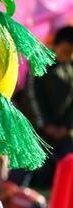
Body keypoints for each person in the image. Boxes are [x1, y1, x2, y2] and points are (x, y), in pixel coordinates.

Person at [21, 25, 73, 188]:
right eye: (66, 51)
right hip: (37, 130)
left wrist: (67, 126)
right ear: (55, 45)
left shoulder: (70, 67)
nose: (68, 56)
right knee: (38, 169)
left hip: (62, 131)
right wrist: (45, 125)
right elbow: (33, 97)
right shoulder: (39, 63)